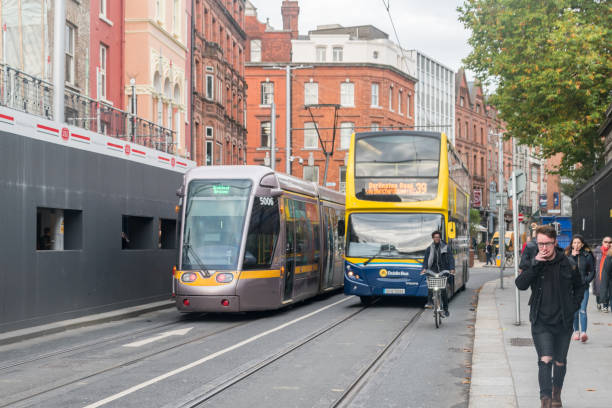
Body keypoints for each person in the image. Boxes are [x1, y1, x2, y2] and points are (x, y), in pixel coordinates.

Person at [515, 225, 584, 408]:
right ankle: (545, 401)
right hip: (541, 321)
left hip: (563, 321)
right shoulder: (535, 262)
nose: (543, 248)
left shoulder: (568, 264)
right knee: (545, 360)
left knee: (560, 362)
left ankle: (556, 394)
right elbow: (520, 284)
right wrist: (535, 265)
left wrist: (573, 306)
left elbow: (580, 287)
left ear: (555, 243)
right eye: (540, 244)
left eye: (547, 244)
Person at [565, 235, 595, 343]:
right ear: (572, 244)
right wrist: (572, 256)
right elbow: (564, 268)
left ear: (582, 244)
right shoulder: (567, 255)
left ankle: (584, 333)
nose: (576, 245)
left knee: (582, 310)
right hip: (571, 287)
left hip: (583, 287)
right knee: (574, 310)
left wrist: (586, 280)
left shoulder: (587, 255)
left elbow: (592, 271)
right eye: (574, 243)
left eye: (578, 243)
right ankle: (576, 331)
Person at [421, 230, 455, 316]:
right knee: (430, 285)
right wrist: (424, 268)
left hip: (443, 270)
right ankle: (429, 302)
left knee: (443, 290)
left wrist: (451, 269)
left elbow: (451, 258)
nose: (437, 238)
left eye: (438, 237)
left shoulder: (445, 247)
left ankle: (446, 309)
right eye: (435, 237)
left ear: (440, 238)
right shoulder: (429, 249)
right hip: (432, 270)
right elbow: (425, 260)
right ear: (433, 238)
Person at [593, 236, 611, 311]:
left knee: (606, 290)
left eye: (610, 242)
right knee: (598, 291)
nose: (608, 243)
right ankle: (599, 302)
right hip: (598, 274)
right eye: (606, 242)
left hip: (608, 274)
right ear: (602, 242)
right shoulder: (596, 252)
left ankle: (605, 305)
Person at [599, 241, 612, 314]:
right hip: (604, 276)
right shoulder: (608, 257)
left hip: (606, 276)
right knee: (604, 291)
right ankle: (604, 305)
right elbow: (607, 269)